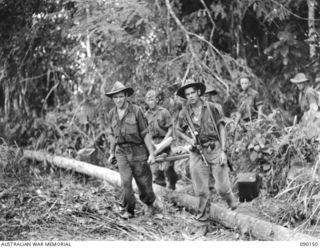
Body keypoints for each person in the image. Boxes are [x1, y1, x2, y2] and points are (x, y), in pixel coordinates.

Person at [175, 78, 237, 222]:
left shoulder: (213, 107)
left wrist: (223, 151)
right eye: (187, 94)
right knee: (201, 190)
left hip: (215, 148)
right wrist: (190, 141)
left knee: (222, 188)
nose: (190, 96)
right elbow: (178, 131)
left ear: (198, 92)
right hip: (197, 152)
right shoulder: (184, 113)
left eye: (192, 93)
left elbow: (222, 127)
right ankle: (202, 221)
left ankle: (231, 201)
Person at [105, 81, 158, 219]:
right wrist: (111, 153)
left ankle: (149, 204)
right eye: (115, 97)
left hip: (138, 150)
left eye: (121, 96)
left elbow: (145, 133)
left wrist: (151, 153)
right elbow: (112, 134)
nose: (118, 100)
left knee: (144, 182)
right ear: (112, 99)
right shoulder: (111, 114)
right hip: (121, 151)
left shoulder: (136, 111)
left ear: (126, 96)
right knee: (125, 182)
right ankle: (129, 210)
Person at [144, 90, 179, 190]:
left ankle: (173, 182)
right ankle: (161, 190)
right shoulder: (146, 115)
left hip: (165, 142)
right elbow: (146, 132)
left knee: (168, 167)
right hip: (153, 143)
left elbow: (171, 129)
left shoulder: (164, 112)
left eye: (152, 99)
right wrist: (150, 144)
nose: (150, 102)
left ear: (157, 100)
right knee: (155, 170)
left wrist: (164, 142)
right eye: (148, 100)